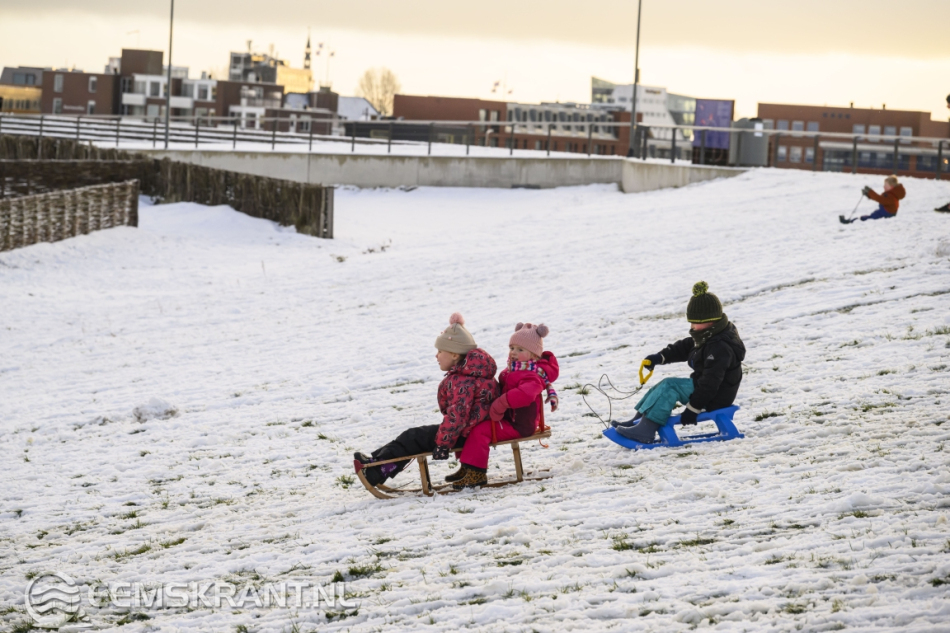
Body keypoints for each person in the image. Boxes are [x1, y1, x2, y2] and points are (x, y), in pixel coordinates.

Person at [353, 313, 498, 486]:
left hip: (465, 434)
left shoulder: (463, 381)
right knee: (413, 436)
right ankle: (375, 462)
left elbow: (457, 416)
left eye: (440, 351)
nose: (436, 356)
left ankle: (377, 470)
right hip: (469, 430)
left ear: (454, 354)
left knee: (414, 437)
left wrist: (443, 444)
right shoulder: (475, 374)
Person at [613, 282, 745, 443]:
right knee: (663, 385)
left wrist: (693, 408)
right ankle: (638, 420)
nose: (692, 326)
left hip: (716, 395)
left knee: (670, 386)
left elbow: (711, 382)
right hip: (706, 388)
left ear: (710, 321)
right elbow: (684, 347)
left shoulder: (719, 347)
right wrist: (659, 357)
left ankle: (646, 430)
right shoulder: (708, 335)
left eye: (694, 322)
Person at [449, 322, 559, 490]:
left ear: (533, 355)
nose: (514, 352)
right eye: (512, 348)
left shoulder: (532, 376)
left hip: (520, 425)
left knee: (481, 432)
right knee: (474, 425)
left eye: (520, 349)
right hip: (509, 419)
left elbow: (525, 394)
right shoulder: (511, 370)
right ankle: (467, 467)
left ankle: (476, 474)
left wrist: (500, 404)